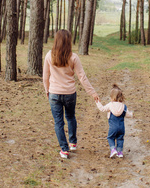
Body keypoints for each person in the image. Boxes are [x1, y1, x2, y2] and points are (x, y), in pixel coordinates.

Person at [43, 29, 99, 159]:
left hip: (54, 94)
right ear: (68, 41)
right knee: (71, 117)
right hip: (69, 94)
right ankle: (72, 143)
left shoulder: (49, 56)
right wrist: (93, 93)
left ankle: (64, 149)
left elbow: (45, 76)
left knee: (58, 122)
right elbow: (82, 77)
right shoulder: (73, 57)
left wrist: (47, 90)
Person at [95, 84, 134, 158]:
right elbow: (128, 114)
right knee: (120, 138)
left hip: (113, 127)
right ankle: (120, 152)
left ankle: (113, 149)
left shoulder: (110, 105)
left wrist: (97, 102)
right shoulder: (123, 106)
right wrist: (132, 114)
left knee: (110, 138)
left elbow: (102, 109)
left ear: (112, 97)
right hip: (121, 127)